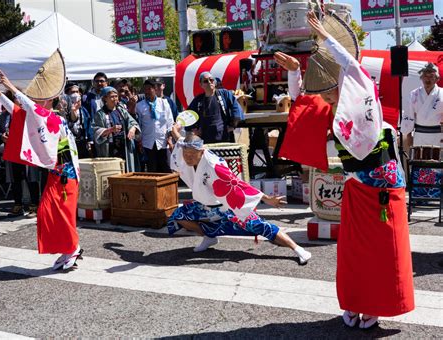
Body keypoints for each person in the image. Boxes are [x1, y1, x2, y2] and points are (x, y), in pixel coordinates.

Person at [273, 12, 414, 329]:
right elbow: (300, 109)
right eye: (321, 92)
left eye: (328, 90)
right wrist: (295, 73)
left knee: (381, 253)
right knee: (352, 254)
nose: (323, 96)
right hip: (356, 187)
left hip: (383, 191)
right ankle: (353, 302)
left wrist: (325, 38)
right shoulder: (328, 110)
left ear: (344, 85)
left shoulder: (365, 101)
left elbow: (352, 64)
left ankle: (375, 307)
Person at [0, 70, 83, 271]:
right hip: (57, 174)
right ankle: (67, 248)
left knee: (61, 214)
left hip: (66, 176)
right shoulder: (43, 118)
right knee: (48, 212)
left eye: (40, 99)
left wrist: (9, 86)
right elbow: (17, 110)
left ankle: (73, 247)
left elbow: (28, 106)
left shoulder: (54, 119)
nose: (36, 101)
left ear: (48, 101)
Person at [167, 125, 311, 263]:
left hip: (225, 206)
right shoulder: (185, 148)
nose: (188, 158)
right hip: (203, 207)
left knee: (262, 226)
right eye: (186, 154)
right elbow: (180, 140)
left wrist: (266, 199)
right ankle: (209, 236)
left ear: (202, 151)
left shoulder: (214, 165)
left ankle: (298, 249)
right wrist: (175, 129)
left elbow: (236, 184)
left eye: (192, 154)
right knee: (178, 216)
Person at [0, 92, 40, 217]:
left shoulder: (29, 113)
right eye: (16, 98)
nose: (19, 101)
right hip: (12, 150)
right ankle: (18, 204)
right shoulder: (4, 116)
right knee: (15, 178)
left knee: (31, 178)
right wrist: (1, 136)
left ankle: (34, 206)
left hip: (28, 150)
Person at [93, 86, 140, 171]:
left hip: (124, 146)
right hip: (110, 147)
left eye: (116, 96)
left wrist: (132, 129)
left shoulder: (121, 111)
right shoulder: (100, 114)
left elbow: (133, 122)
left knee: (125, 170)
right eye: (111, 97)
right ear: (105, 99)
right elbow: (96, 131)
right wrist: (110, 130)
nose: (114, 98)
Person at [187, 72, 244, 144]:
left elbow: (236, 108)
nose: (209, 82)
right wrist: (193, 129)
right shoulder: (198, 100)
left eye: (211, 80)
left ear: (214, 82)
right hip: (204, 140)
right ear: (201, 85)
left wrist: (233, 125)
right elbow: (188, 114)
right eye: (205, 81)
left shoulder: (224, 94)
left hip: (224, 138)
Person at [135, 79, 174, 173]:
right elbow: (138, 124)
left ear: (155, 89)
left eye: (149, 89)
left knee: (165, 166)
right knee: (151, 167)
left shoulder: (164, 103)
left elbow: (170, 121)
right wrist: (139, 139)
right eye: (145, 89)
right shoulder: (140, 106)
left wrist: (170, 138)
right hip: (148, 141)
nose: (147, 91)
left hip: (162, 140)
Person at [401, 63, 443, 147]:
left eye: (431, 76)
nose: (428, 80)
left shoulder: (442, 93)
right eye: (425, 76)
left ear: (437, 79)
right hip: (419, 135)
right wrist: (409, 136)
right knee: (419, 159)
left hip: (438, 135)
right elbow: (409, 115)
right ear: (421, 78)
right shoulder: (414, 94)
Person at [65, 82, 93, 159]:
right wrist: (73, 110)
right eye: (72, 92)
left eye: (77, 92)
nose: (75, 94)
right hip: (69, 143)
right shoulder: (63, 109)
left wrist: (90, 140)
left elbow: (88, 124)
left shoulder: (83, 109)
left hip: (82, 141)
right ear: (67, 94)